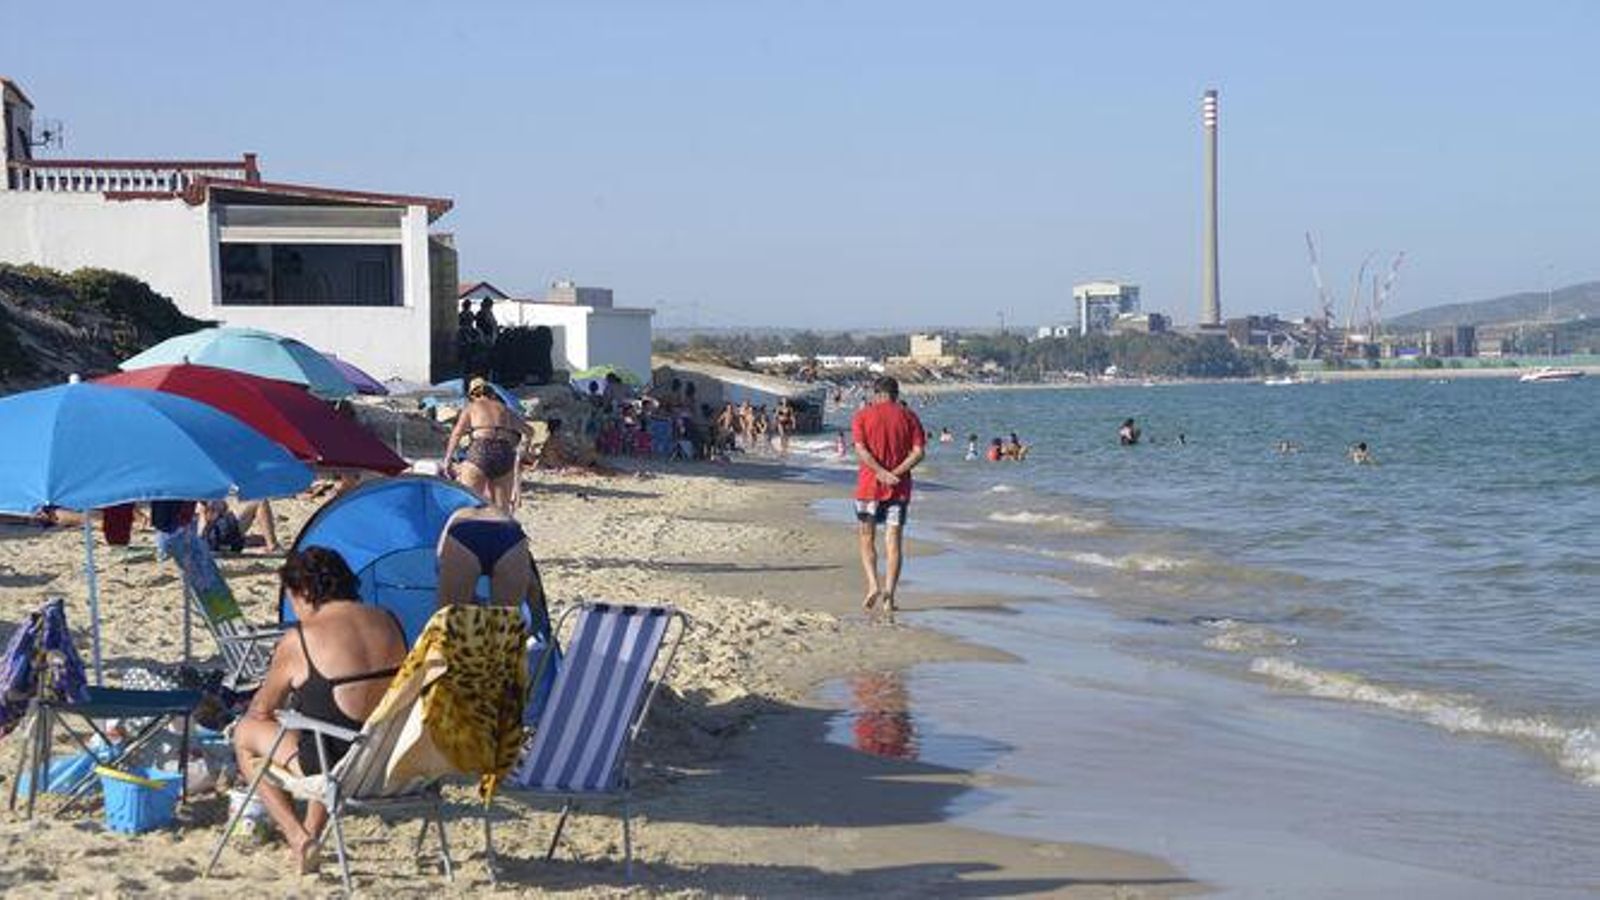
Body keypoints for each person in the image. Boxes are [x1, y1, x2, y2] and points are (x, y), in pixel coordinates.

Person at [231, 548, 408, 874]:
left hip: (335, 765)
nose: (295, 610)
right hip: (386, 761)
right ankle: (313, 834)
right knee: (319, 727)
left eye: (293, 599)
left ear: (306, 592)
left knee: (246, 734)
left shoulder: (301, 638)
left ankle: (297, 836)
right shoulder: (389, 620)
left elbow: (261, 709)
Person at [851, 376, 926, 613]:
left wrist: (880, 472)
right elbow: (918, 452)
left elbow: (861, 450)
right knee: (893, 541)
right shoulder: (909, 416)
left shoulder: (862, 415)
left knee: (866, 537)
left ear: (876, 394)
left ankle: (873, 584)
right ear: (897, 394)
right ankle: (889, 596)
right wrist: (895, 473)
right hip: (899, 488)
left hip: (868, 488)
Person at [445, 377, 526, 512]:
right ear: (492, 393)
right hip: (504, 453)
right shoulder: (504, 409)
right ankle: (501, 532)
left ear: (471, 395)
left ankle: (471, 532)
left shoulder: (471, 408)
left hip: (480, 451)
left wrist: (448, 460)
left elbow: (456, 434)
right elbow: (529, 431)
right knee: (501, 509)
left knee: (469, 503)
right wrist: (523, 447)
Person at [436, 504, 534, 608]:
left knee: (452, 615)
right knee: (506, 619)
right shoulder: (499, 508)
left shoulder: (457, 509)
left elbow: (440, 556)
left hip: (465, 531)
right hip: (508, 532)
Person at [456, 299, 480, 377]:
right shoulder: (466, 314)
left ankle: (467, 370)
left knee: (468, 356)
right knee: (466, 355)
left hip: (467, 335)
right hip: (465, 335)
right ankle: (465, 371)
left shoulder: (465, 314)